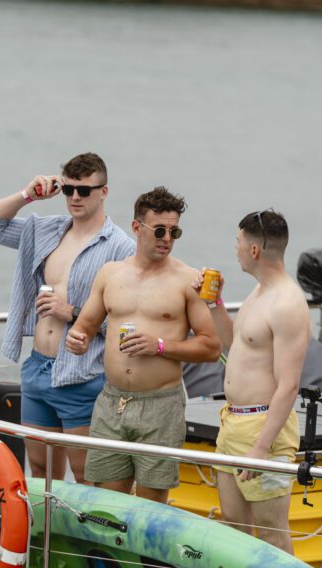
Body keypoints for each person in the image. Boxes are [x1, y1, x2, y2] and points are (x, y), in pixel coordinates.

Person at [0, 152, 134, 482]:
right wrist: (28, 194)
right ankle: (46, 533)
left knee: (85, 472)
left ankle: (84, 534)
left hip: (82, 372)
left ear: (103, 192)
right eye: (68, 189)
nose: (75, 197)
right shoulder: (45, 231)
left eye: (84, 191)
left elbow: (127, 322)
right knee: (40, 468)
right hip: (37, 366)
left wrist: (71, 313)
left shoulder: (121, 247)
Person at [66, 186, 221, 503]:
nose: (167, 238)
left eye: (174, 231)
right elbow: (86, 325)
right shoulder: (111, 274)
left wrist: (161, 345)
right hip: (112, 401)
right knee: (110, 503)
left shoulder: (187, 280)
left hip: (160, 405)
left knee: (151, 508)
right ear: (137, 227)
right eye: (159, 230)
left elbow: (211, 347)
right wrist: (76, 340)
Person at [203, 209, 311, 554]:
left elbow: (288, 385)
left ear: (253, 251)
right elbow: (237, 345)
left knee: (272, 535)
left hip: (263, 428)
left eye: (238, 242)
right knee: (235, 530)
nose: (234, 249)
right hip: (233, 422)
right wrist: (215, 304)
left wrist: (261, 448)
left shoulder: (287, 303)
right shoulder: (259, 292)